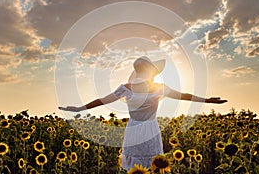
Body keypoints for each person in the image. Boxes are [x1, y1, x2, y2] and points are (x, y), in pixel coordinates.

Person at [59, 56, 227, 171]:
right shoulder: (126, 87)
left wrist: (207, 100)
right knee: (135, 169)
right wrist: (80, 108)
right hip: (136, 130)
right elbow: (102, 100)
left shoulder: (158, 88)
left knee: (152, 167)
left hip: (148, 130)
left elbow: (184, 96)